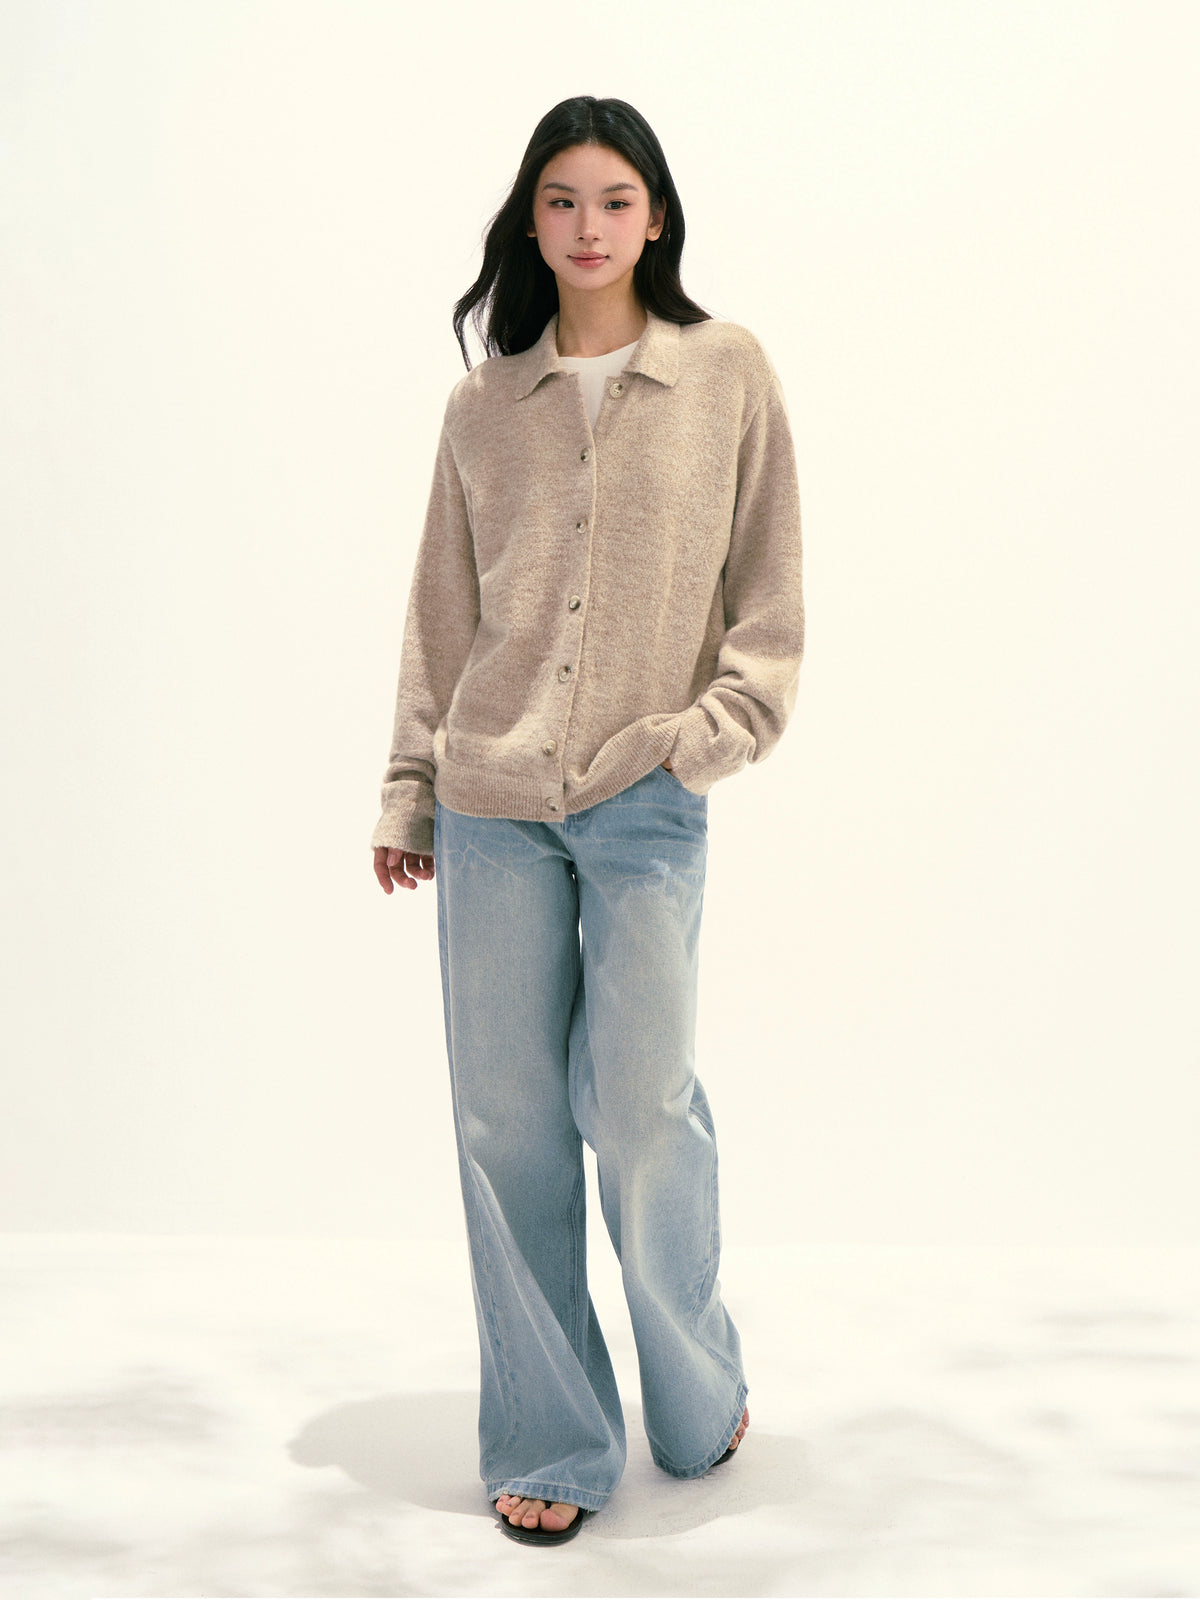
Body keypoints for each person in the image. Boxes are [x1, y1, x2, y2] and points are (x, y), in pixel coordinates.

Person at [370, 95, 803, 1546]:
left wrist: (703, 739)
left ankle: (696, 1391)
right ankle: (552, 1439)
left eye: (615, 200)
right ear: (531, 221)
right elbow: (441, 613)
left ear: (656, 216)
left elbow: (769, 594)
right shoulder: (484, 407)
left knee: (640, 1107)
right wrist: (411, 788)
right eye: (561, 200)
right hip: (490, 804)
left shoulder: (725, 372)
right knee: (506, 1126)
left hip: (644, 797)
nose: (588, 225)